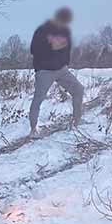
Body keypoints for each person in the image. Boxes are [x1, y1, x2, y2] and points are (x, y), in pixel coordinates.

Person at [28, 7, 84, 136]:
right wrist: (51, 46)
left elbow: (67, 47)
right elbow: (33, 50)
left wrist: (65, 62)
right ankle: (33, 130)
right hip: (45, 71)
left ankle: (76, 122)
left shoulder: (65, 31)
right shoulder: (42, 30)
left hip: (61, 69)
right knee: (38, 98)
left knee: (79, 90)